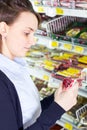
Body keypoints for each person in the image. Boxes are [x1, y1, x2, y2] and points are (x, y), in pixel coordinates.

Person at [0, 0, 79, 130]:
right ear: (3, 29)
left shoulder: (16, 65)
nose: (33, 41)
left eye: (34, 34)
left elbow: (29, 114)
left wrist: (55, 99)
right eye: (26, 33)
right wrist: (58, 109)